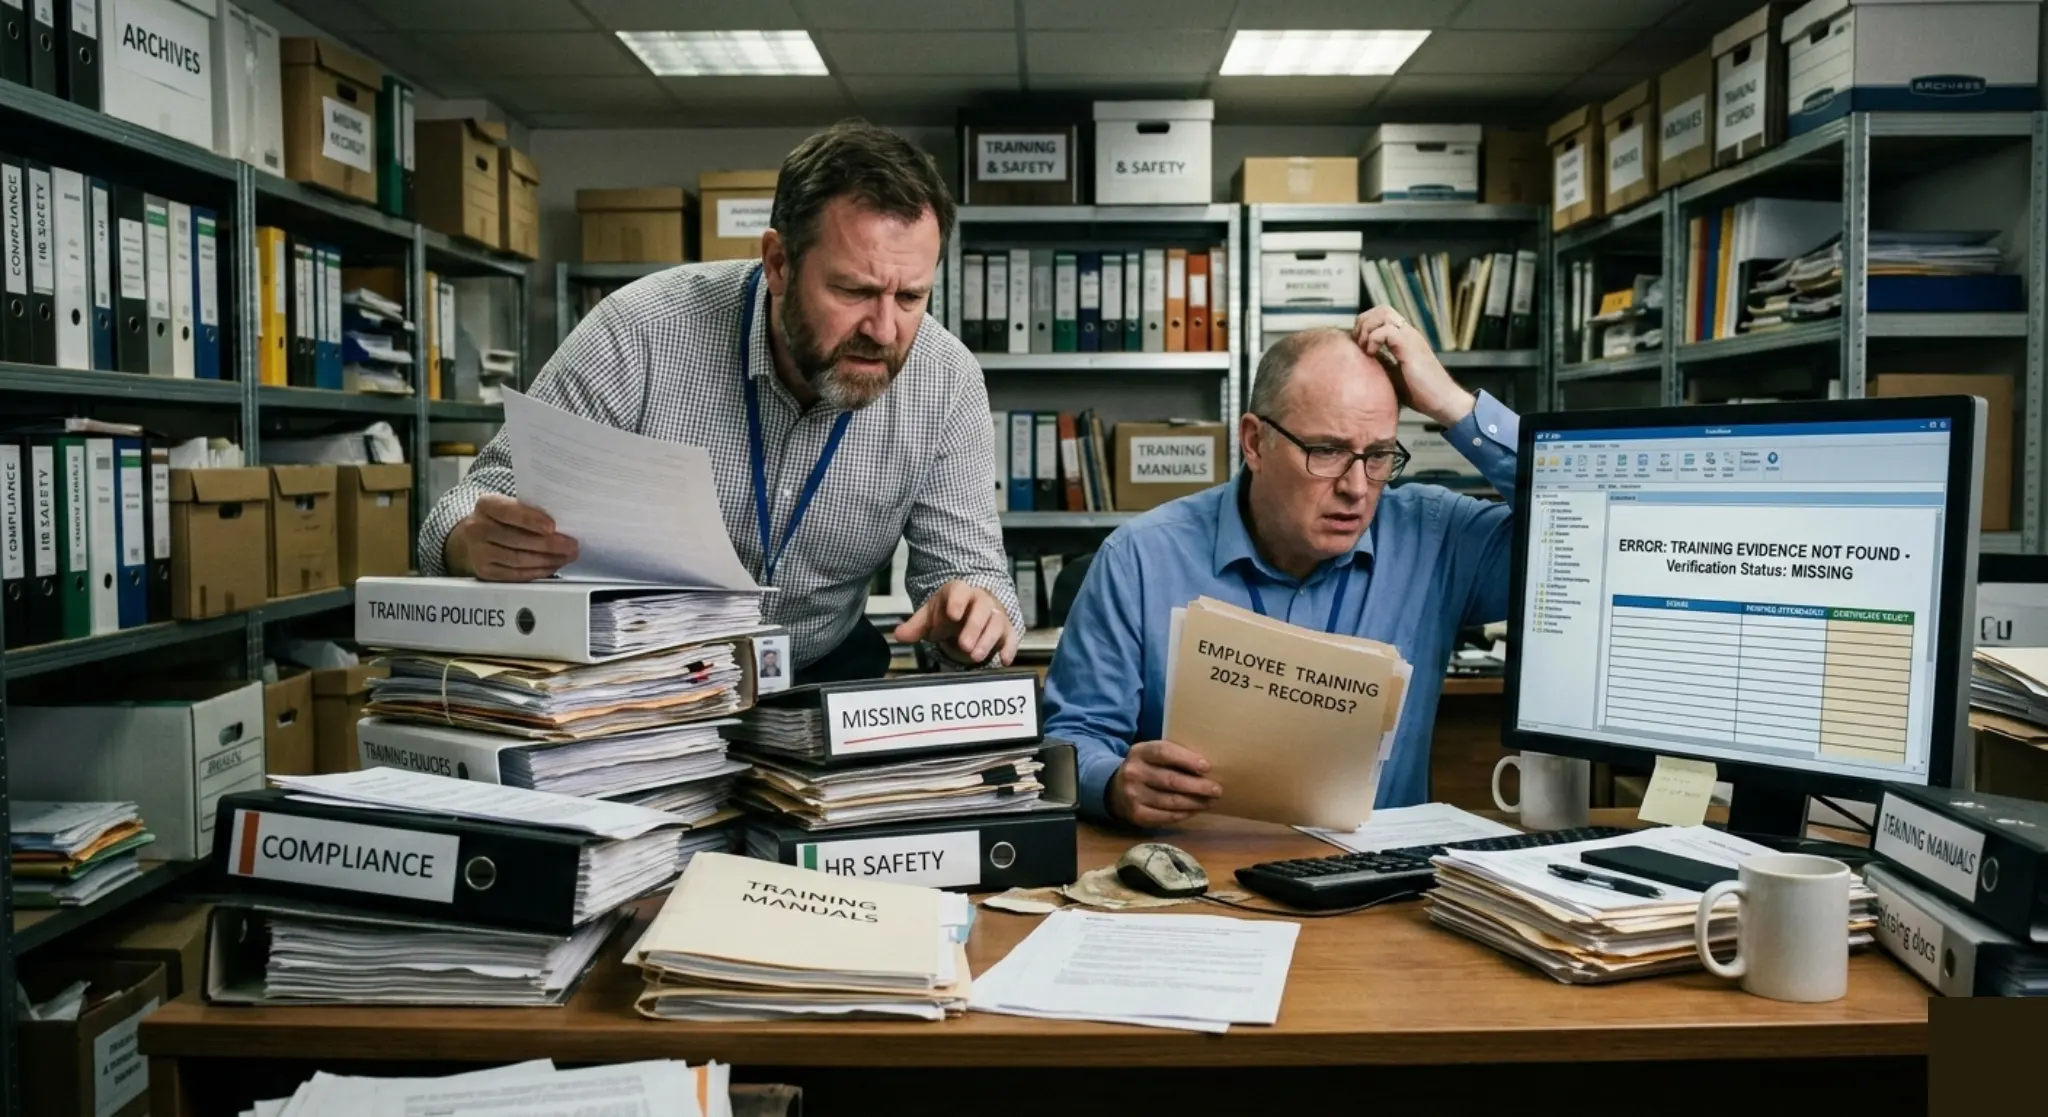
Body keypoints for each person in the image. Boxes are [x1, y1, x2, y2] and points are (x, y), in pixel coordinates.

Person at [419, 120, 1022, 685]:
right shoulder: (641, 331)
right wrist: (470, 539)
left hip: (816, 667)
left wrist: (973, 614)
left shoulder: (946, 380)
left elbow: (973, 575)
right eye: (853, 290)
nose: (886, 329)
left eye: (911, 297)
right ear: (779, 263)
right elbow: (472, 500)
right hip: (639, 676)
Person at [1043, 310, 1518, 827]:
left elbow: (1585, 531)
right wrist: (1113, 784)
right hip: (1199, 883)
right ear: (1254, 443)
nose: (1357, 488)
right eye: (1328, 451)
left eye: (1378, 455)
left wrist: (1454, 406)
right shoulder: (1141, 558)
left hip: (1377, 887)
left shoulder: (1435, 536)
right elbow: (1070, 742)